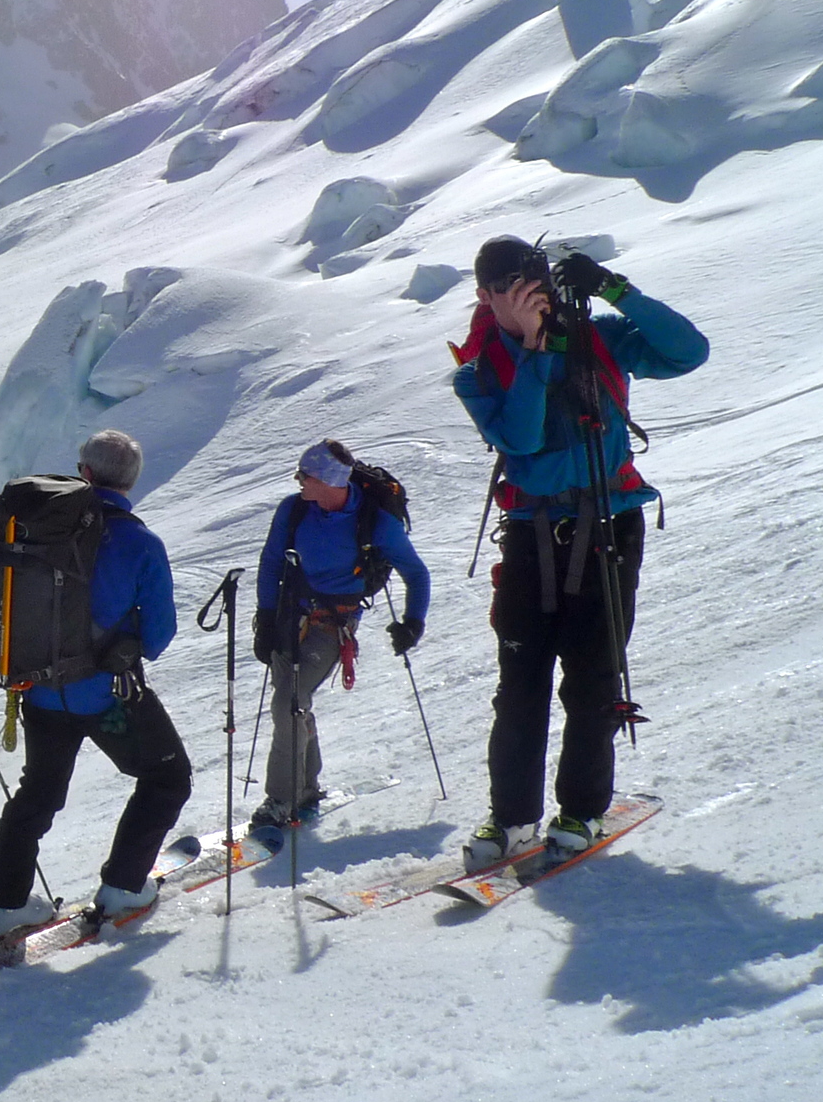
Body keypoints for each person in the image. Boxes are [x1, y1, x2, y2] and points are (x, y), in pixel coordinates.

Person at [453, 238, 706, 862]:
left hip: (608, 529)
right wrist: (537, 353)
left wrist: (616, 289)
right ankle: (511, 818)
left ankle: (582, 811)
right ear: (485, 296)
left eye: (532, 279)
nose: (525, 292)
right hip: (531, 538)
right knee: (520, 686)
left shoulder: (597, 336)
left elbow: (688, 352)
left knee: (592, 680)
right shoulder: (478, 369)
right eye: (508, 285)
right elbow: (522, 437)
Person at [0, 429, 194, 937]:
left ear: (84, 474)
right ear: (131, 481)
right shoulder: (140, 541)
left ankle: (4, 907)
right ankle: (122, 887)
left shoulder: (35, 526)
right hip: (106, 696)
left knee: (38, 796)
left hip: (39, 692)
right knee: (166, 778)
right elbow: (159, 635)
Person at [247, 439, 432, 852]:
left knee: (289, 703)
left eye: (305, 476)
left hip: (333, 625)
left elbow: (416, 574)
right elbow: (271, 561)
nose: (299, 483)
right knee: (293, 701)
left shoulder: (376, 523)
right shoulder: (293, 510)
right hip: (288, 617)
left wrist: (413, 622)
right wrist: (264, 617)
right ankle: (305, 788)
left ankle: (282, 798)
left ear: (328, 481)